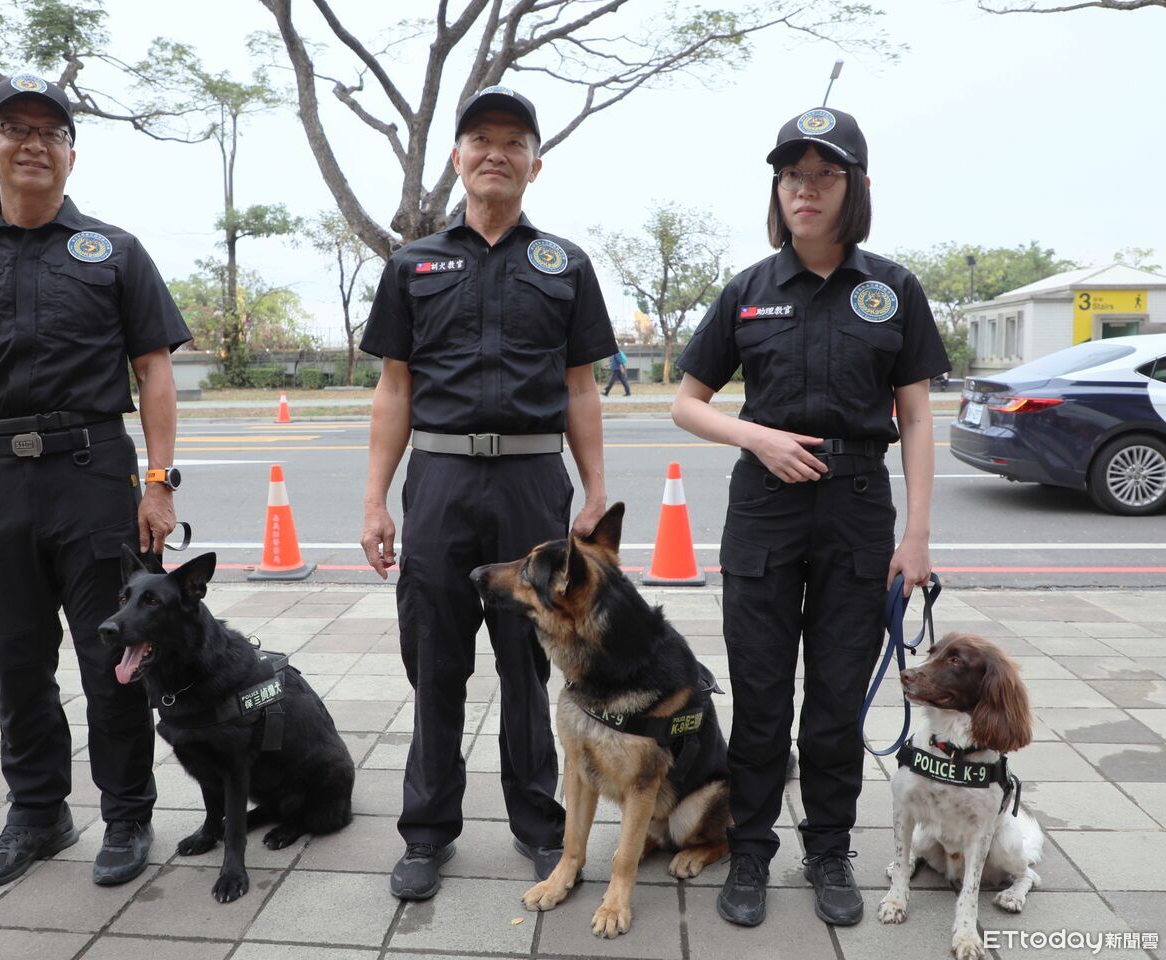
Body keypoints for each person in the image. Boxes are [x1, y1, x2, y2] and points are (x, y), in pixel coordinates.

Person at [0, 73, 190, 888]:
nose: (32, 143)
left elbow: (154, 372)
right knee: (14, 658)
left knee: (117, 659)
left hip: (93, 478)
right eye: (14, 128)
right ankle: (38, 812)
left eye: (50, 131)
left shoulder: (114, 251)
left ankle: (126, 815)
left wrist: (159, 481)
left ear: (70, 152)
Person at [670, 108, 950, 929]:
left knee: (833, 702)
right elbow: (688, 404)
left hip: (860, 508)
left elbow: (918, 417)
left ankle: (828, 849)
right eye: (793, 176)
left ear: (854, 189)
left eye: (824, 175)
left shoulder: (891, 289)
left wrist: (918, 536)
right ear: (778, 189)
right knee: (759, 698)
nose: (806, 189)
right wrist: (755, 434)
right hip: (764, 508)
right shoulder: (749, 292)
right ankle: (750, 851)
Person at [358, 85, 616, 901]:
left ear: (535, 164)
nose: (495, 152)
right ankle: (427, 834)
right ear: (459, 157)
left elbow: (582, 386)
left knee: (528, 665)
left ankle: (541, 828)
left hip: (533, 483)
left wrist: (595, 492)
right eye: (479, 138)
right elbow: (394, 387)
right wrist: (377, 499)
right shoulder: (414, 264)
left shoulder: (564, 264)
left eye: (513, 141)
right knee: (435, 664)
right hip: (438, 482)